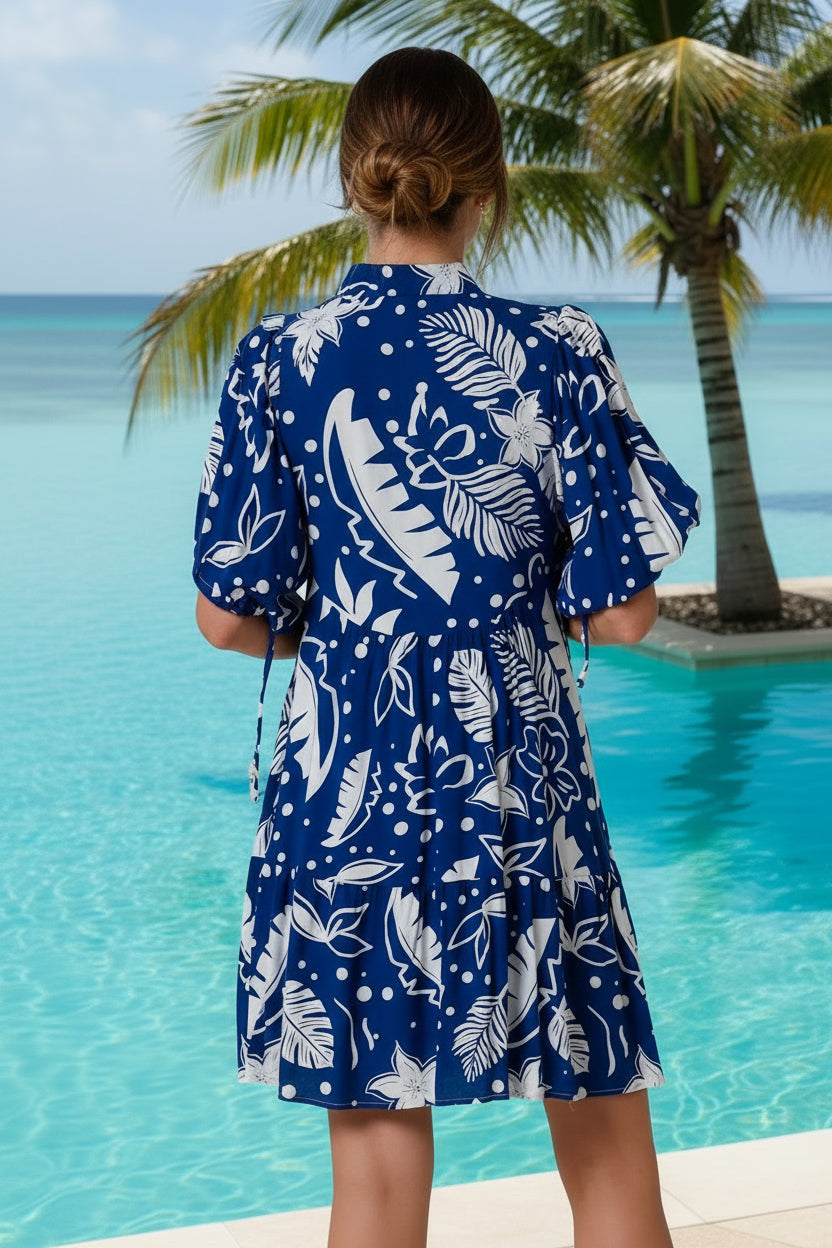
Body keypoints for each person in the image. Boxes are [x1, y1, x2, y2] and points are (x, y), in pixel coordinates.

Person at [192, 45, 700, 1248]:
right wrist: (501, 610)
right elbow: (623, 614)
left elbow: (227, 617)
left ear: (354, 179)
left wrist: (360, 624)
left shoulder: (282, 354)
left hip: (346, 776)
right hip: (518, 769)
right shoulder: (557, 346)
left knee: (372, 1174)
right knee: (603, 1135)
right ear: (490, 183)